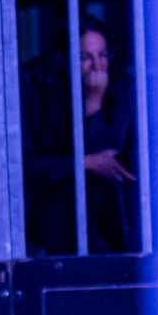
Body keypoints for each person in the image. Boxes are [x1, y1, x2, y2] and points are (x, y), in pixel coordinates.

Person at [22, 16, 138, 254]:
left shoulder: (122, 88)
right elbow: (27, 167)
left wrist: (93, 102)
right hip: (52, 224)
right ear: (62, 60)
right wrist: (83, 163)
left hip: (110, 225)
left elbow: (108, 162)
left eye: (103, 55)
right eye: (85, 57)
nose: (97, 66)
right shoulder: (38, 88)